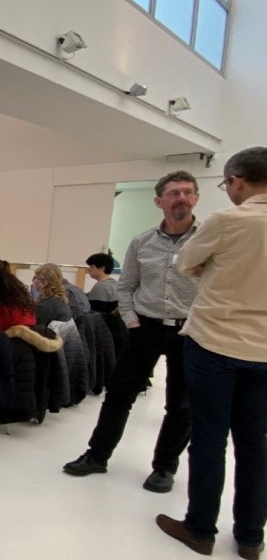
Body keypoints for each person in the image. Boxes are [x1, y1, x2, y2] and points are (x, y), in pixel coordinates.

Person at [155, 148, 267, 560]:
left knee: (208, 438)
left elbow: (185, 261)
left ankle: (201, 528)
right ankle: (252, 538)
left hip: (215, 343)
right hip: (264, 352)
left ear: (236, 180)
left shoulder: (227, 220)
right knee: (256, 444)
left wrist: (213, 265)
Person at [64, 170, 200, 492]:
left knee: (180, 405)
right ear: (159, 201)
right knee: (119, 394)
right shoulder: (142, 242)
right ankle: (97, 455)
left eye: (187, 192)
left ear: (196, 198)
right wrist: (132, 322)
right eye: (174, 192)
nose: (181, 197)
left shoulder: (208, 240)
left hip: (189, 330)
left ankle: (164, 467)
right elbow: (126, 288)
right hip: (146, 328)